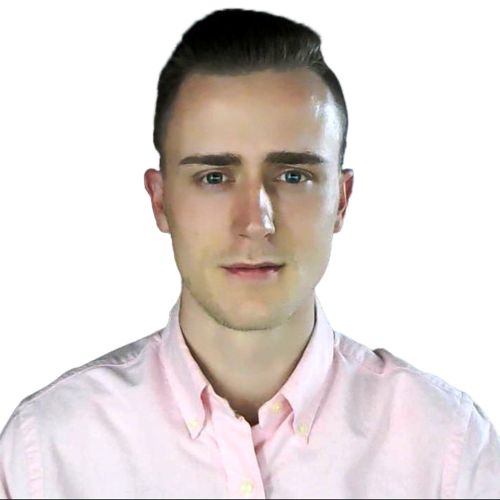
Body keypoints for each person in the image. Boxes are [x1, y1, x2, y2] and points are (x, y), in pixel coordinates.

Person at [1, 7, 499, 499]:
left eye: (294, 176)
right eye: (214, 177)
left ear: (341, 201)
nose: (256, 223)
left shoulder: (445, 450)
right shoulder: (47, 451)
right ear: (160, 201)